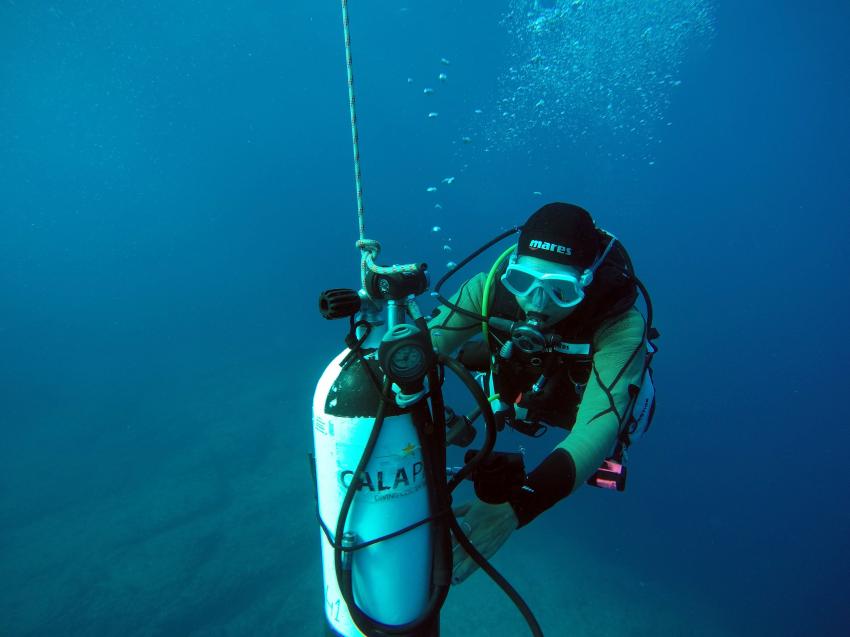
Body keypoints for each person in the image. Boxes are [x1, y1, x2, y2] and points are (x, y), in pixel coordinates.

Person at [428, 202, 655, 584]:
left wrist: (519, 505)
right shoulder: (487, 289)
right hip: (524, 386)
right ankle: (510, 394)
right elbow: (424, 346)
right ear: (512, 269)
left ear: (586, 282)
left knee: (614, 432)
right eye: (523, 282)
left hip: (580, 403)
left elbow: (596, 428)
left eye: (560, 290)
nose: (537, 302)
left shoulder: (619, 324)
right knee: (477, 355)